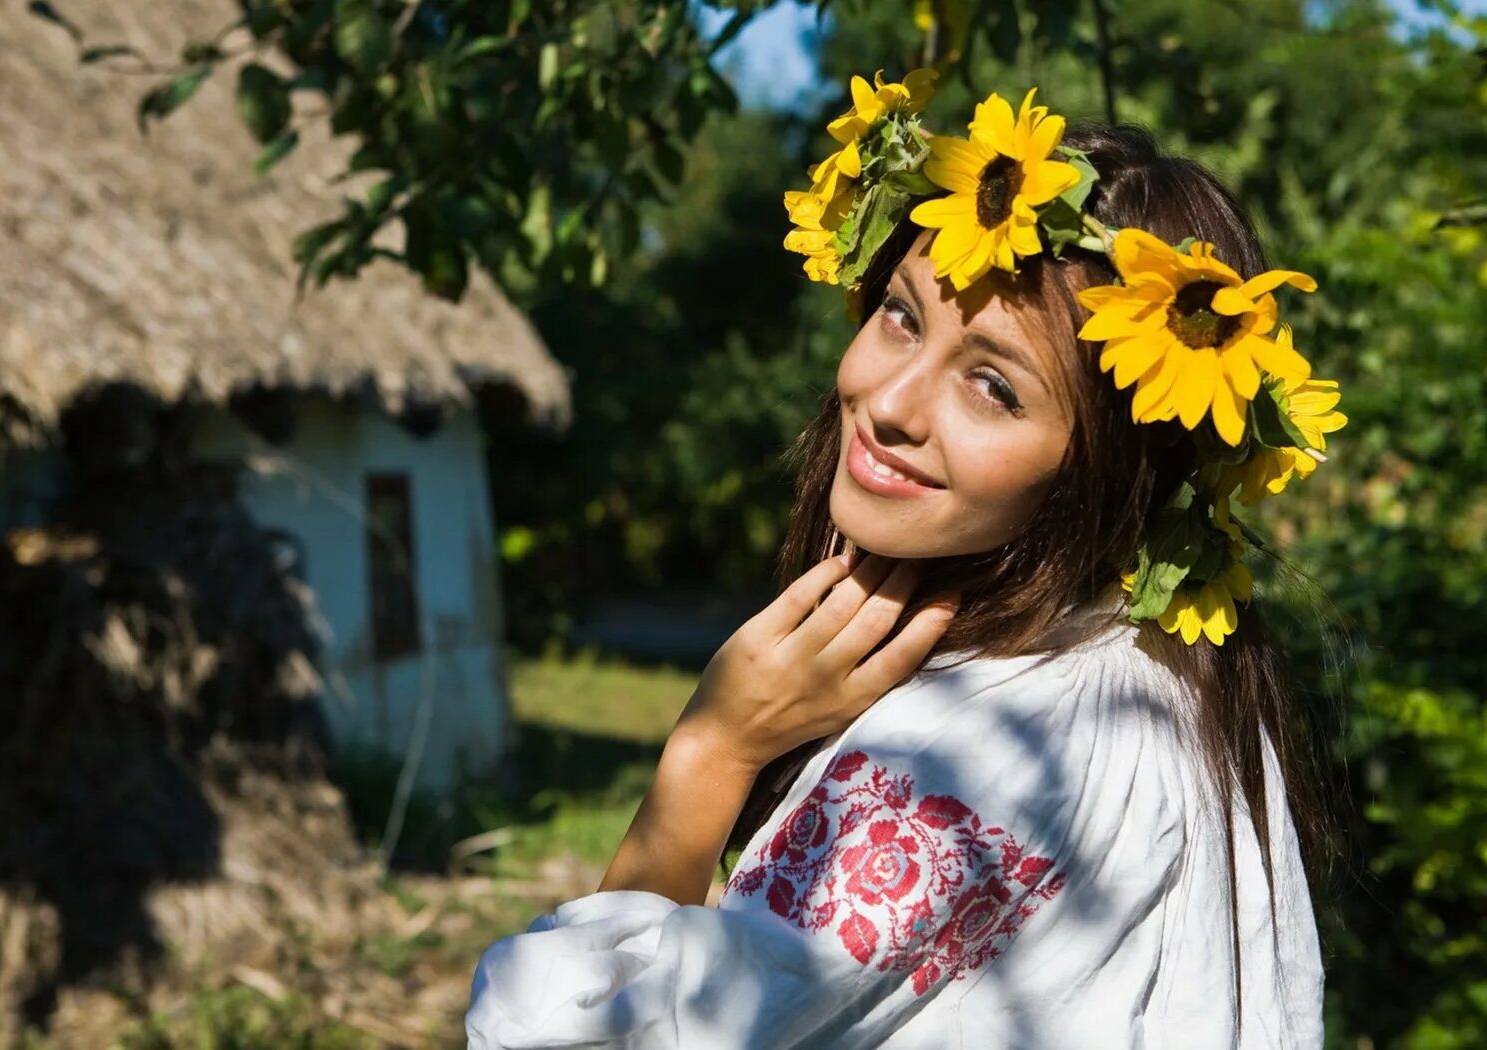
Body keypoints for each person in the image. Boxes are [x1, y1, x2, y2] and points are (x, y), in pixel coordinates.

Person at [465, 78, 1343, 1049]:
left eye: (994, 386)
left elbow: (584, 1037)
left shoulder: (976, 760)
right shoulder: (1170, 684)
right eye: (900, 313)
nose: (889, 400)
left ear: (1112, 463)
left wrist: (710, 752)